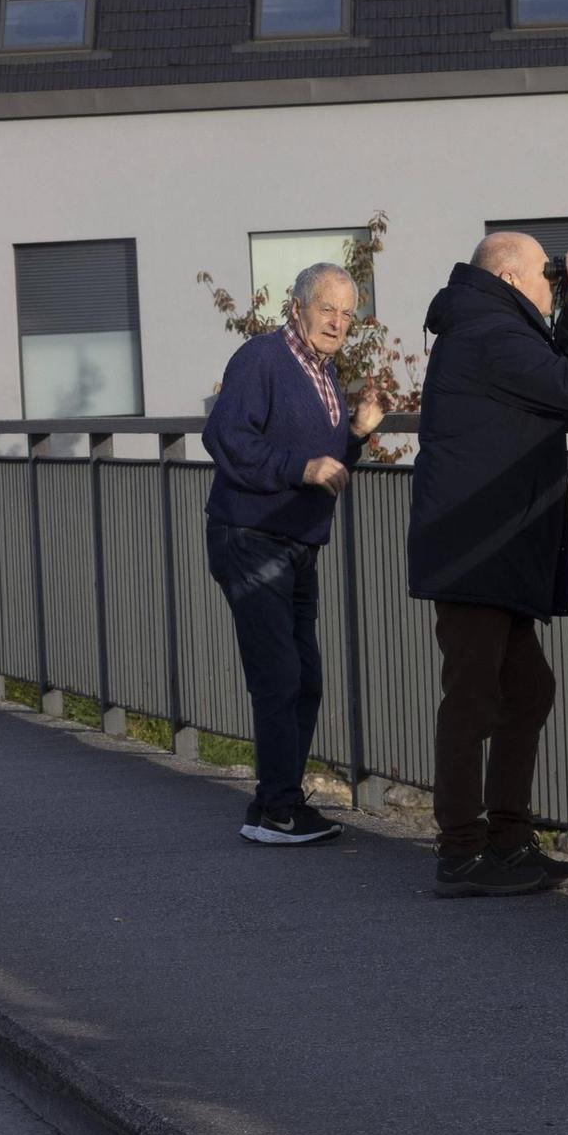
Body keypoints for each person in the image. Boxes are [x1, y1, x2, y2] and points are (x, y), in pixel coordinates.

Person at [408, 234, 568, 898]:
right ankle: (463, 850)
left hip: (487, 544)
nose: (553, 285)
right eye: (545, 277)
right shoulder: (489, 334)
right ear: (507, 275)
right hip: (476, 545)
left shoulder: (488, 325)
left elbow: (555, 374)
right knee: (473, 695)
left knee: (526, 689)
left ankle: (506, 838)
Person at [203, 260, 386, 845]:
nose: (337, 322)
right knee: (279, 673)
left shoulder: (324, 372)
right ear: (297, 308)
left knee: (304, 678)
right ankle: (279, 809)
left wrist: (354, 435)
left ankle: (274, 805)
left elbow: (324, 472)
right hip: (252, 536)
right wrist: (298, 466)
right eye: (326, 308)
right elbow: (225, 437)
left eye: (346, 314)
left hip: (298, 543)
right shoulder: (263, 358)